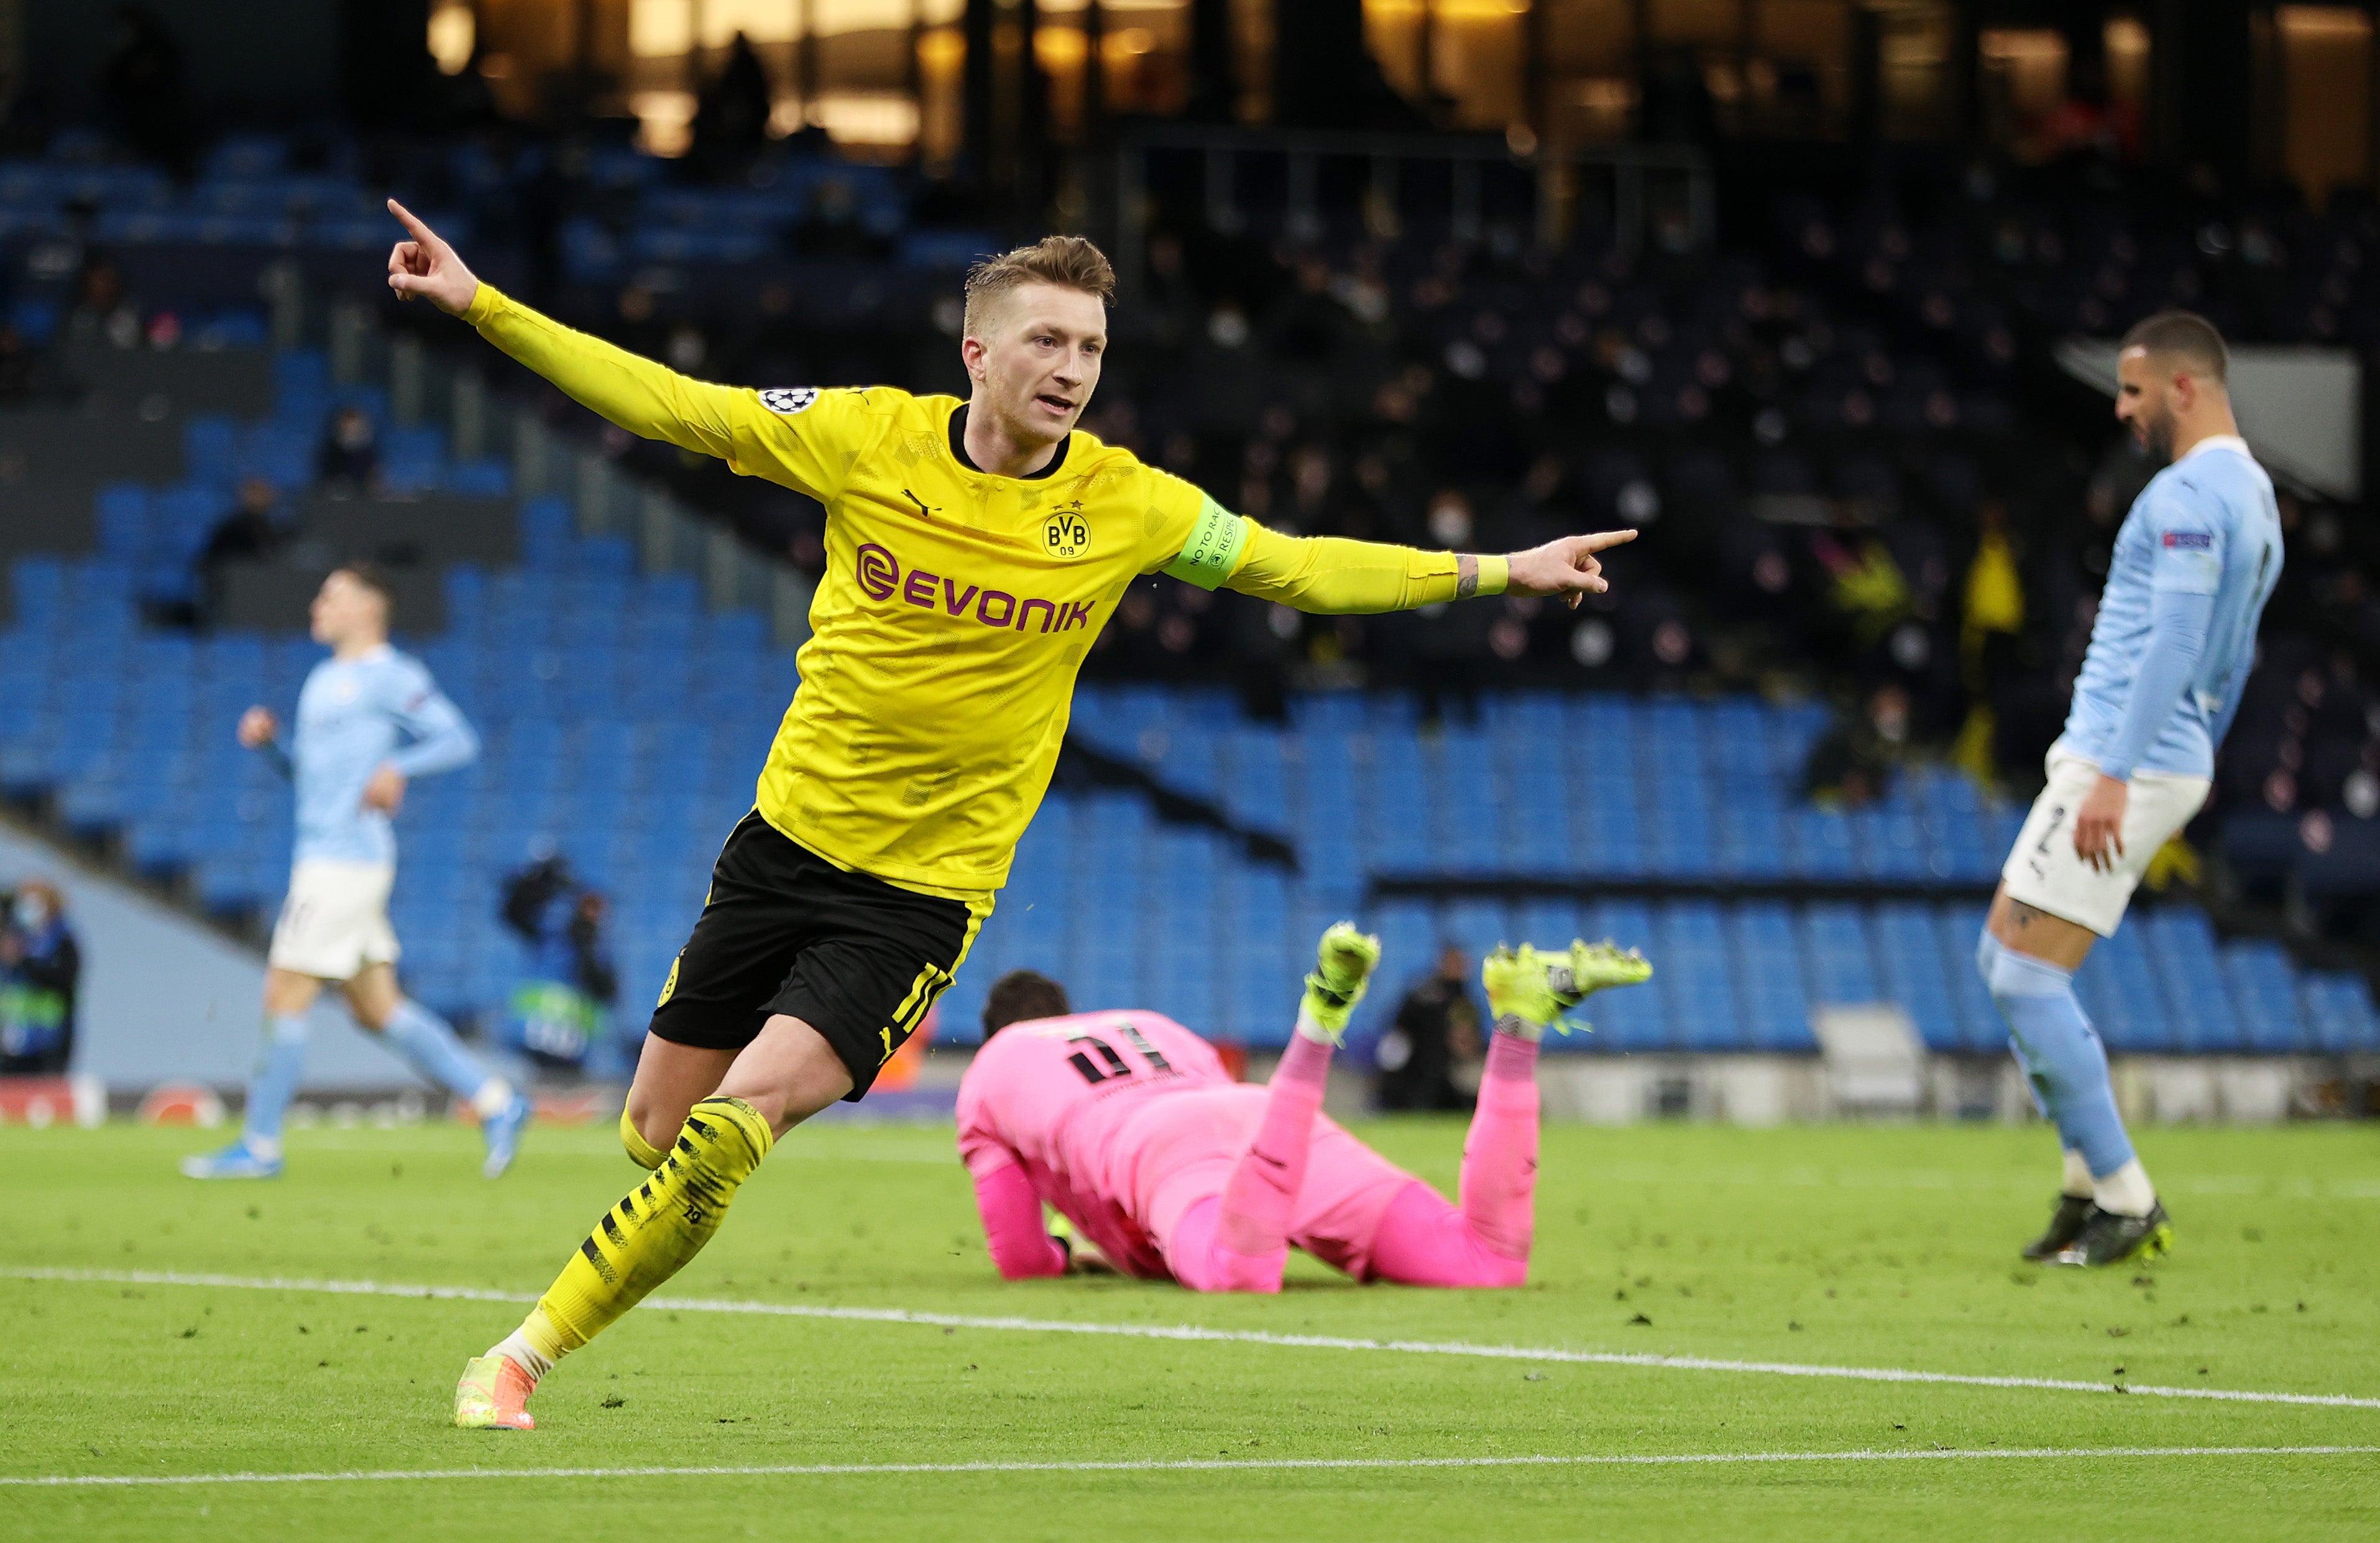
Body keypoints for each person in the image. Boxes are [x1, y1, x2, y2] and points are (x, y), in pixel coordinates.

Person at [378, 201, 1640, 1432]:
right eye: (1047, 340)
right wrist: (483, 307)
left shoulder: (1128, 503)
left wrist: (1498, 569)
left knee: (723, 1134)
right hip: (780, 849)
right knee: (654, 1130)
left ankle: (515, 1358)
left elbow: (1295, 564)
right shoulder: (864, 438)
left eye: (1091, 347)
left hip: (921, 897)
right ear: (976, 350)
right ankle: (614, 1246)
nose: (1073, 368)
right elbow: (669, 404)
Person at [1978, 311, 2281, 1268]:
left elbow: (2180, 642)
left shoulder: (2188, 494)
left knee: (2025, 974)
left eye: (2134, 390)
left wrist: (2120, 769)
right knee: (2003, 959)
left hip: (2126, 754)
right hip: (2148, 752)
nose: (2121, 407)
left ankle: (2124, 1193)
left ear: (2183, 388)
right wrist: (2193, 751)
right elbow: (2235, 659)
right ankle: (2081, 1186)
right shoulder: (2255, 494)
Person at [955, 926, 1650, 1293]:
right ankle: (1522, 1022)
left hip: (1163, 1148)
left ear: (997, 1033)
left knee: (1238, 1273)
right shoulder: (1147, 1022)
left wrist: (1065, 1255)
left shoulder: (994, 1067)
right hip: (1250, 1113)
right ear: (1073, 1013)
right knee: (1486, 1259)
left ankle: (1315, 1030)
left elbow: (1018, 1255)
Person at [181, 565, 529, 1181]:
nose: (317, 604)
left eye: (332, 596)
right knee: (378, 1008)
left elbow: (458, 740)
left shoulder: (391, 675)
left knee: (284, 990)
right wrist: (272, 746)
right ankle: (499, 1102)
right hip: (324, 855)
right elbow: (311, 781)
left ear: (369, 610)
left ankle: (260, 1145)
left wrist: (399, 765)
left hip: (346, 862)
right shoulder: (323, 679)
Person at [496, 854, 623, 1080]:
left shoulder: (600, 950)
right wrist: (536, 882)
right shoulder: (551, 936)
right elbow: (512, 912)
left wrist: (587, 949)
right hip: (532, 1039)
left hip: (573, 1048)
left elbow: (607, 991)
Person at [1372, 942, 1482, 1112]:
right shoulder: (1423, 994)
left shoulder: (1464, 998)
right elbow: (1398, 1034)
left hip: (1444, 1071)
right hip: (1414, 1072)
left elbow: (1469, 1041)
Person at [0, 880, 80, 1075]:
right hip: (11, 1045)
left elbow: (61, 978)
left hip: (49, 1046)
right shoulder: (14, 938)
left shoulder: (63, 943)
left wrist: (22, 961)